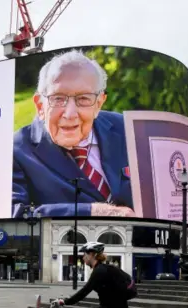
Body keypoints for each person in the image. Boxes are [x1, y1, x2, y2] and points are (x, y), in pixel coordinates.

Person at [12, 49, 135, 218]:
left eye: (83, 98)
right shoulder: (16, 151)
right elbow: (14, 215)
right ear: (40, 106)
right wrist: (93, 212)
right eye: (58, 98)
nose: (69, 114)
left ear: (98, 104)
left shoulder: (128, 129)